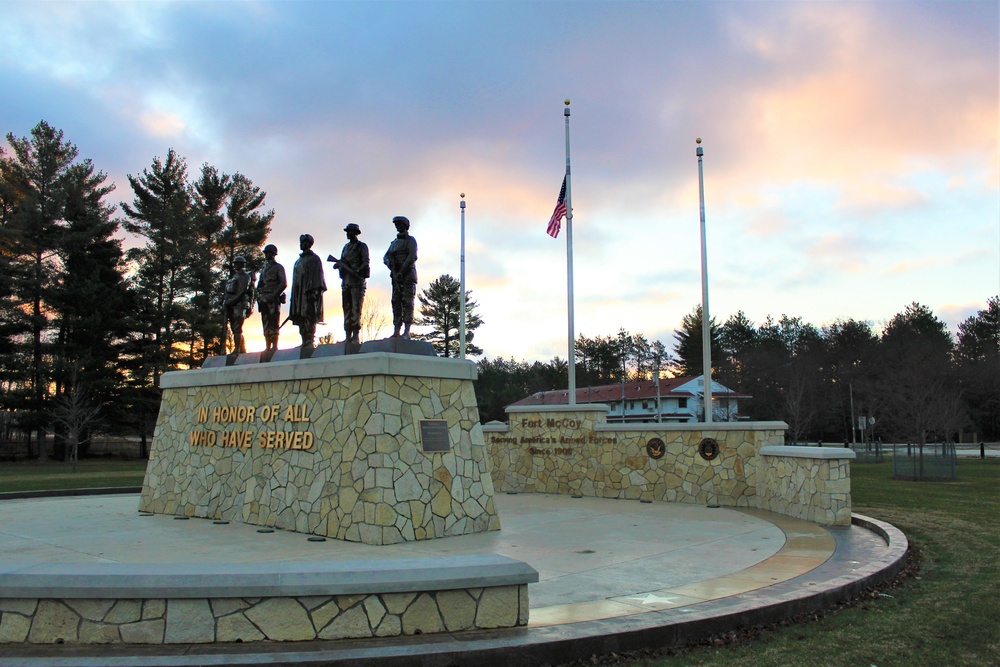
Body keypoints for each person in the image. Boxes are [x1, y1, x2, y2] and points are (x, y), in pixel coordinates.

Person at [329, 223, 370, 344]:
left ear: (356, 233)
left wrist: (357, 271)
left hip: (357, 282)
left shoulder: (361, 246)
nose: (348, 233)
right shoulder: (346, 248)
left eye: (350, 231)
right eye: (347, 231)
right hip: (346, 282)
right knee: (346, 309)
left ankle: (355, 335)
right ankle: (348, 335)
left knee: (356, 309)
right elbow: (342, 261)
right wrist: (339, 265)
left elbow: (365, 262)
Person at [289, 234, 326, 348]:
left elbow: (318, 276)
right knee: (300, 316)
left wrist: (314, 292)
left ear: (309, 244)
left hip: (309, 293)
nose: (302, 244)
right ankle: (304, 340)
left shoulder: (314, 259)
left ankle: (309, 340)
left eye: (304, 242)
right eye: (301, 242)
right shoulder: (298, 261)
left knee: (309, 316)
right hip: (299, 295)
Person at [383, 215, 417, 338]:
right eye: (396, 225)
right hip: (395, 277)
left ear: (405, 226)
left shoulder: (410, 240)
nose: (398, 226)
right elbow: (386, 257)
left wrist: (401, 272)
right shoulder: (394, 243)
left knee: (407, 302)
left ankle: (406, 331)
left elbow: (411, 257)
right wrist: (392, 267)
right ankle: (396, 330)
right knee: (396, 302)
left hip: (407, 276)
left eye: (400, 224)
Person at [256, 244, 287, 354]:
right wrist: (260, 295)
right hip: (264, 299)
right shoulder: (264, 269)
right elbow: (260, 284)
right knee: (265, 322)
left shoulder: (278, 267)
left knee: (274, 322)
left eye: (268, 253)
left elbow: (283, 283)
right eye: (265, 253)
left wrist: (273, 295)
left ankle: (274, 345)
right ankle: (267, 346)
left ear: (273, 254)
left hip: (273, 299)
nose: (266, 255)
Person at [224, 255, 253, 354]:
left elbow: (242, 292)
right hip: (233, 305)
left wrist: (230, 302)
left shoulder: (245, 276)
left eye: (237, 263)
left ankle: (237, 349)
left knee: (237, 328)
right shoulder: (235, 276)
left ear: (241, 264)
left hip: (240, 304)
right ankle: (240, 348)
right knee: (234, 328)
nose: (235, 265)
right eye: (234, 263)